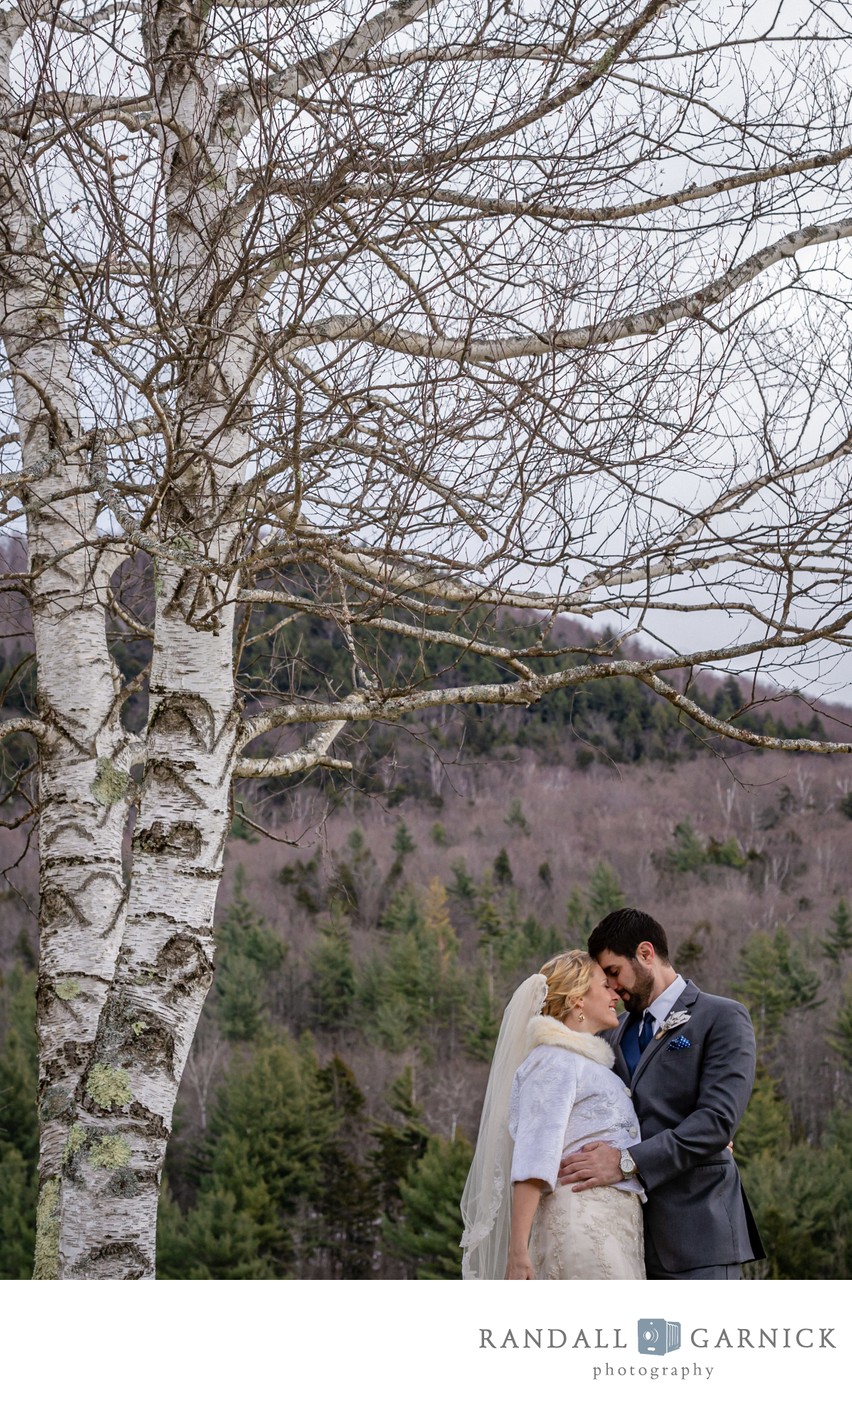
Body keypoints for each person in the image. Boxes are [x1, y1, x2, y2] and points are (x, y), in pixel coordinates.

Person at [559, 907, 765, 1281]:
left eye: (614, 972)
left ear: (646, 954)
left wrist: (626, 1161)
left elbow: (716, 1121)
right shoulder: (609, 1031)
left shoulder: (722, 1018)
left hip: (698, 1234)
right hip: (620, 1239)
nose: (612, 989)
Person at [460, 950, 646, 1280]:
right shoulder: (553, 1061)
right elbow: (534, 1156)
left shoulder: (585, 1063)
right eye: (605, 985)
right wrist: (517, 1251)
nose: (614, 994)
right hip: (581, 1225)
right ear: (577, 1000)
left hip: (616, 1228)